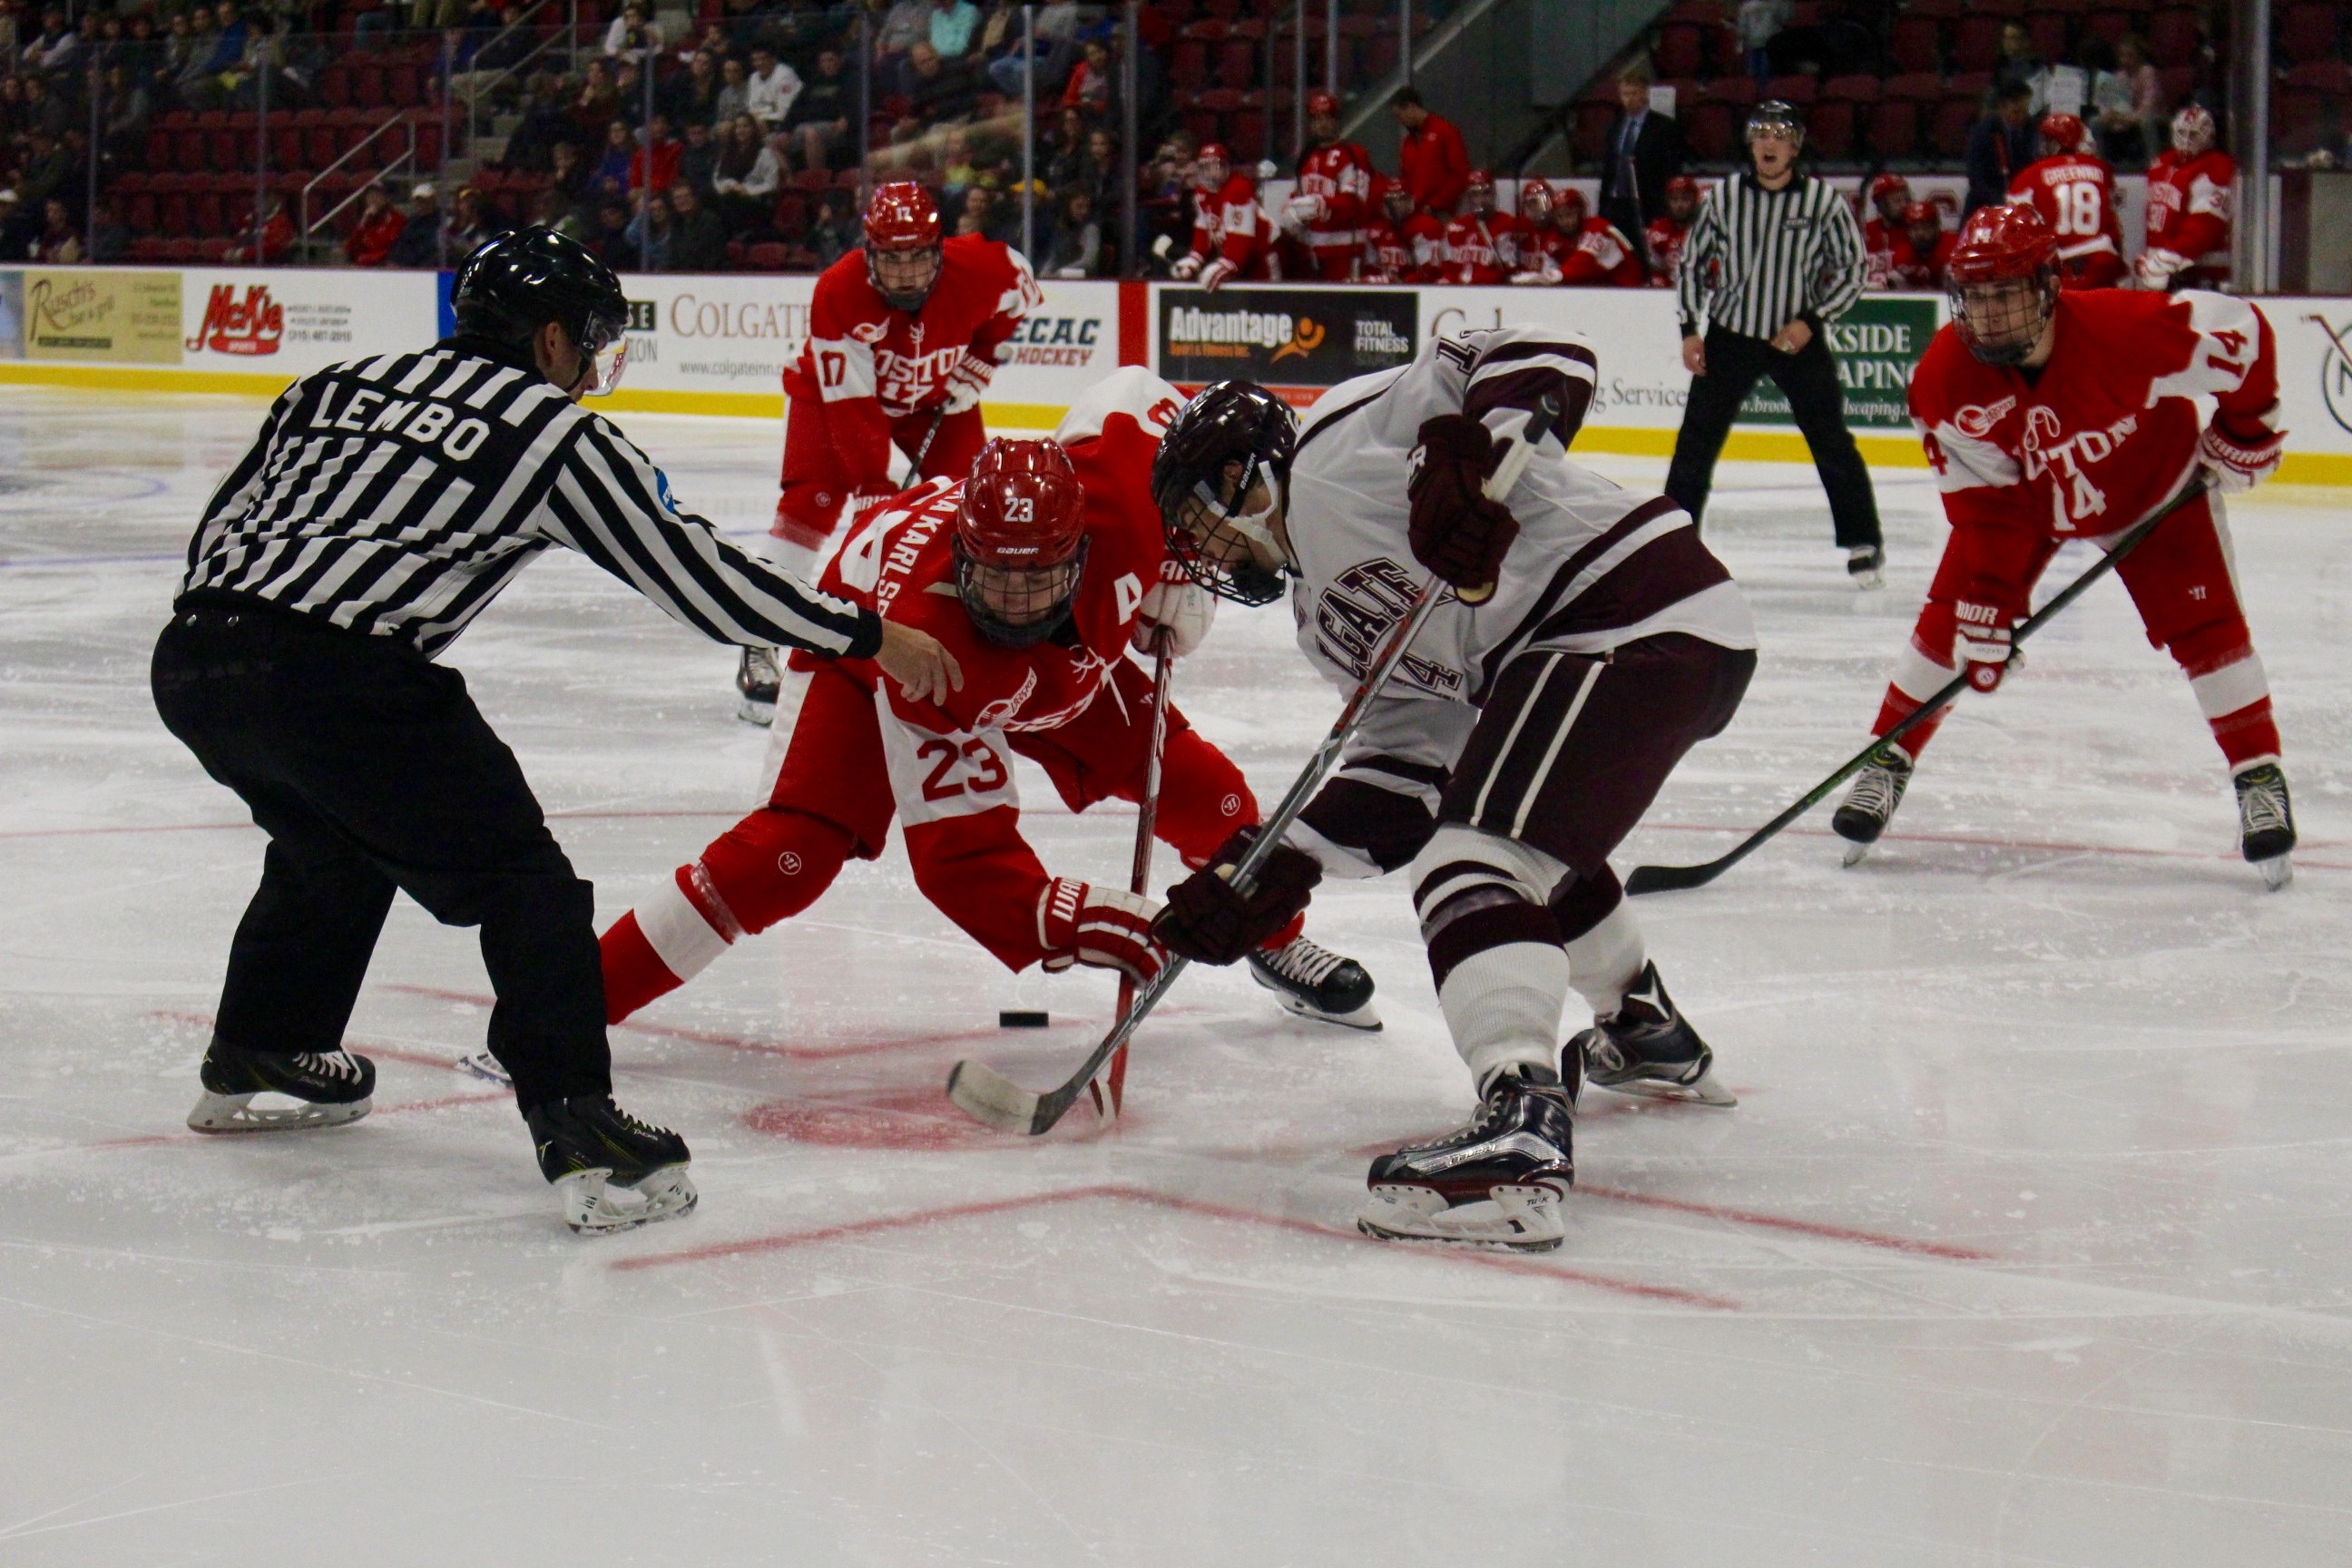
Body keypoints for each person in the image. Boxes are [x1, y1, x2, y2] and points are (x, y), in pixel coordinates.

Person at [148, 229, 959, 1235]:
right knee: (526, 888)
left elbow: (230, 519)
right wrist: (864, 633)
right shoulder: (552, 434)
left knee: (329, 843)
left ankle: (264, 1045)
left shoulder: (335, 382)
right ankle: (579, 1125)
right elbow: (694, 577)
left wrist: (239, 641)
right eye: (589, 340)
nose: (590, 361)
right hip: (343, 673)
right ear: (547, 341)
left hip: (193, 656)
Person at [1146, 332, 1757, 1251]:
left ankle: (1521, 1125)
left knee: (1476, 857)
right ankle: (1642, 1024)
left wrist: (1460, 465)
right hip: (1619, 642)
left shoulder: (1335, 448)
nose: (1202, 549)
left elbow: (1537, 355)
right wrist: (1271, 869)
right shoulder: (1324, 628)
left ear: (1239, 474)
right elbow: (1410, 768)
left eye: (1196, 519)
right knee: (1512, 835)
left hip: (1630, 606)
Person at [603, 384, 1382, 1037]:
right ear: (962, 559)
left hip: (1065, 663)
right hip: (871, 653)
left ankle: (1277, 942)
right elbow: (964, 860)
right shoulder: (931, 660)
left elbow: (1140, 393)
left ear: (1081, 549)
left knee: (1213, 797)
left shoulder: (1121, 492)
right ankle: (577, 1005)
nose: (1015, 606)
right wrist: (1093, 923)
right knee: (789, 860)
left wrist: (1176, 553)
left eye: (1039, 582)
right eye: (997, 582)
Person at [1830, 203, 2295, 887]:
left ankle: (2259, 773)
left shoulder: (2128, 328)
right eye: (1976, 298)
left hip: (2154, 486)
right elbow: (1984, 507)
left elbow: (2244, 334)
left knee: (2206, 628)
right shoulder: (1943, 380)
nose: (1987, 315)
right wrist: (1989, 602)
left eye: (2006, 294)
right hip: (2027, 508)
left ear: (2048, 287)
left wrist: (2247, 430)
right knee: (1948, 623)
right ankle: (1887, 759)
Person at [743, 181, 1042, 720]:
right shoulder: (839, 290)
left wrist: (983, 356)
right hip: (832, 398)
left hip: (934, 401)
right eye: (891, 258)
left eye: (917, 257)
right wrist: (873, 489)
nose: (905, 272)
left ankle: (969, 635)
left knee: (974, 508)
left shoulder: (981, 268)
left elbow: (1021, 294)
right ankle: (758, 639)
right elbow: (853, 403)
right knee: (811, 502)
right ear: (870, 253)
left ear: (939, 249)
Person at [1668, 101, 1885, 586]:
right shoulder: (1724, 198)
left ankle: (1864, 543)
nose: (1768, 143)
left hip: (1795, 338)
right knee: (1695, 444)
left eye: (1779, 135)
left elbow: (1853, 268)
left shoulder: (1822, 203)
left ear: (1795, 146)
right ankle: (1672, 546)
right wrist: (1689, 328)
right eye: (1760, 134)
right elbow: (1691, 264)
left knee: (1831, 440)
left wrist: (1813, 319)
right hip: (1730, 335)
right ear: (1750, 144)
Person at [2008, 112, 2122, 289]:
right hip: (2100, 265)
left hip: (2058, 270)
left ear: (2056, 142)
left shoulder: (2027, 177)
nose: (2042, 145)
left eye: (2047, 140)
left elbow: (2018, 236)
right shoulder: (2101, 170)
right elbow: (2113, 227)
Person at [1280, 88, 1373, 281]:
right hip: (1312, 251)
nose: (1323, 124)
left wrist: (1321, 204)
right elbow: (1300, 196)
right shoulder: (1306, 157)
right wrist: (1291, 212)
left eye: (1328, 118)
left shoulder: (1353, 154)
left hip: (1346, 250)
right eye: (1317, 119)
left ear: (1336, 121)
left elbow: (1356, 201)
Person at [2137, 104, 2233, 291]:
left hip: (2200, 273)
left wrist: (2163, 262)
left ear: (2209, 137)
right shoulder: (2161, 163)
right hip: (2162, 268)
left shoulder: (2216, 168)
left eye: (2195, 135)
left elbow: (2204, 228)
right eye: (2183, 132)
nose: (2187, 140)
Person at [1596, 63, 1682, 268]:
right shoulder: (1614, 127)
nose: (1629, 99)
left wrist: (1663, 205)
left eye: (1634, 93)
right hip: (1616, 202)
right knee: (1618, 255)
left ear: (1645, 93)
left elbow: (1669, 169)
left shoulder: (1663, 127)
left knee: (1646, 256)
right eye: (1625, 94)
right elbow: (1610, 168)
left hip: (1647, 202)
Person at [1168, 142, 1278, 291]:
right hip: (1234, 262)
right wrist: (1192, 263)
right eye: (1206, 167)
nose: (1212, 172)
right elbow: (1203, 234)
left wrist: (1224, 265)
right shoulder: (1202, 193)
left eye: (1217, 166)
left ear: (1227, 167)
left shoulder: (1239, 189)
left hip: (1260, 260)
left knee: (1267, 308)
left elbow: (1241, 241)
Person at [1513, 184, 1642, 287]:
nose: (1565, 221)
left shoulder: (1598, 227)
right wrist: (1542, 277)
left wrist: (1551, 277)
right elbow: (1550, 269)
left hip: (1628, 289)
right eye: (1560, 216)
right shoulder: (1554, 240)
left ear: (1581, 213)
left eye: (1570, 214)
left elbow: (1584, 261)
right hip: (1599, 291)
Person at [1392, 86, 1467, 221]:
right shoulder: (1407, 144)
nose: (1399, 121)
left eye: (1399, 115)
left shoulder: (1445, 131)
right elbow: (1405, 179)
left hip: (1442, 213)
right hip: (1416, 215)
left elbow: (1460, 174)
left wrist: (1435, 204)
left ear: (1410, 107)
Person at [1967, 81, 2038, 217]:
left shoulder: (2031, 129)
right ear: (2002, 107)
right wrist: (2001, 201)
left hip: (2020, 206)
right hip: (1985, 207)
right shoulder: (1983, 132)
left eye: (2025, 111)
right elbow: (1976, 179)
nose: (2022, 117)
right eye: (2016, 111)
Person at [1437, 169, 1520, 285]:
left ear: (1493, 194)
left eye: (1486, 193)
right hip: (1457, 293)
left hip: (1491, 292)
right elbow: (1447, 269)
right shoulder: (1454, 227)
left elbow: (1507, 271)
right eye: (1475, 194)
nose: (1481, 200)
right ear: (1469, 197)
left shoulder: (1508, 224)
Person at [1360, 173, 1437, 283]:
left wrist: (1404, 281)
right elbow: (1370, 268)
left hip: (1413, 288)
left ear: (1411, 200)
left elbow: (1429, 273)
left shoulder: (1424, 227)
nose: (1396, 205)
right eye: (1391, 200)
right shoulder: (1376, 230)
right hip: (1383, 287)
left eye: (1402, 199)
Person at [1645, 174, 1700, 287]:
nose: (1679, 205)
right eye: (1674, 199)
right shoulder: (1659, 229)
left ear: (1695, 201)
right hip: (1668, 283)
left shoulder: (1704, 229)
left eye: (1685, 199)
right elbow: (1649, 264)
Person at [1887, 201, 1953, 289]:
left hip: (1949, 298)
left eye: (1925, 227)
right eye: (1915, 229)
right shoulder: (1900, 256)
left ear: (1937, 227)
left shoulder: (1954, 247)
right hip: (1913, 298)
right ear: (1908, 231)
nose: (1920, 233)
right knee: (1894, 276)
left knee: (1950, 270)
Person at [1862, 172, 1911, 287]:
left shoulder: (1915, 232)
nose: (1903, 205)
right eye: (1897, 200)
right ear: (1881, 204)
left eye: (1906, 199)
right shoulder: (1866, 232)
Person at [345, 181, 407, 266]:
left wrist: (368, 258)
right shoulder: (365, 220)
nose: (373, 199)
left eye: (377, 195)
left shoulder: (397, 219)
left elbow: (393, 248)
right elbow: (350, 250)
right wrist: (362, 224)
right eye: (370, 196)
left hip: (384, 266)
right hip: (363, 266)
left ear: (386, 198)